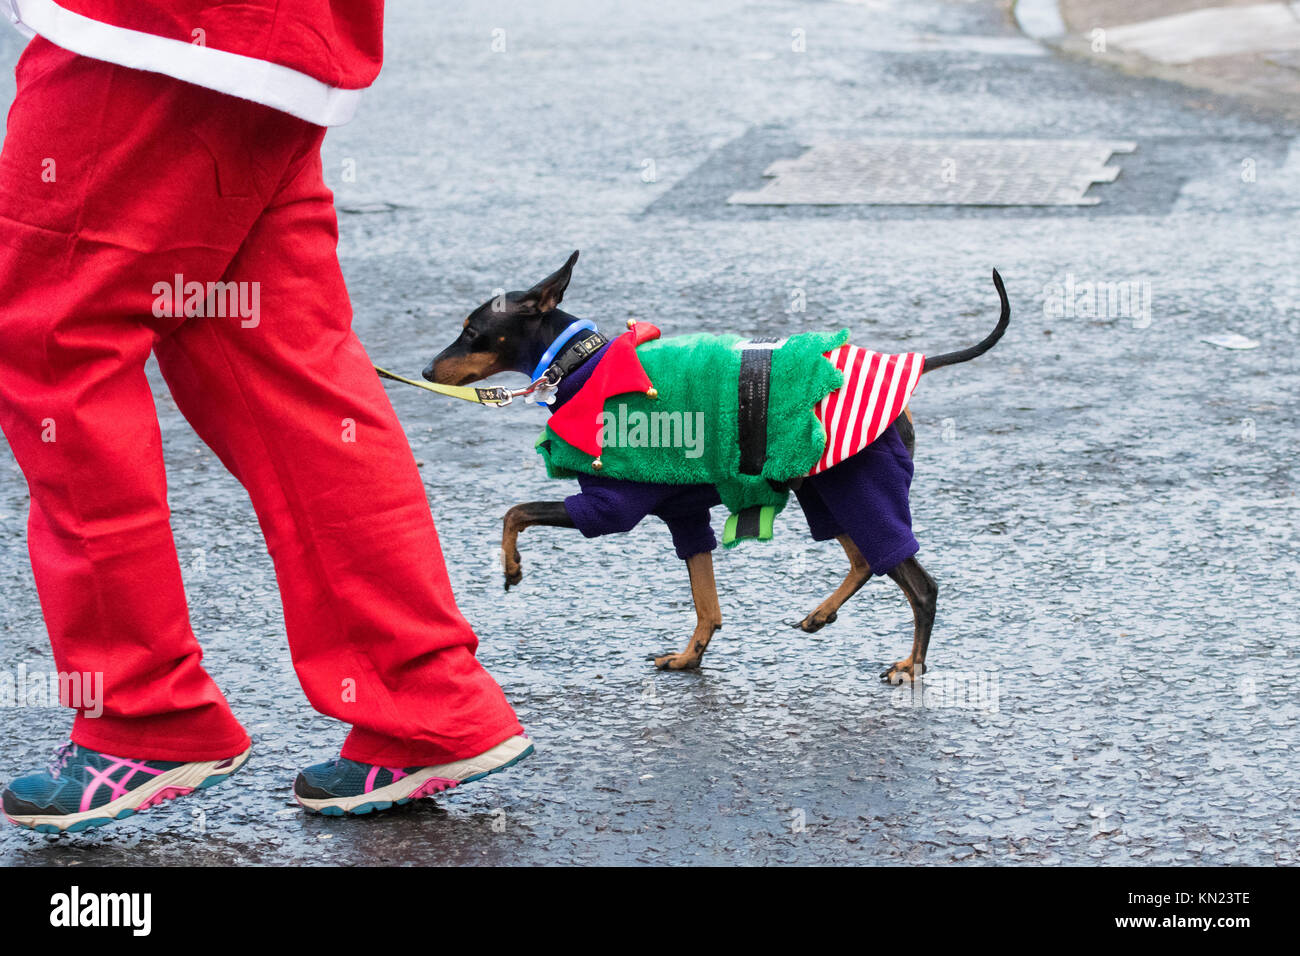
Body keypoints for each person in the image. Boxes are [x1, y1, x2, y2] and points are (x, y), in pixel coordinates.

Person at [0, 0, 530, 832]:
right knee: (280, 369)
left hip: (155, 32)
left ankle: (144, 713)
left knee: (55, 345)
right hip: (267, 40)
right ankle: (423, 697)